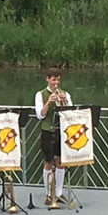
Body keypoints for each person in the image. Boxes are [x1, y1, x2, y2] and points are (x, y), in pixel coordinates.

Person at [34, 68, 73, 205]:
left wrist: (65, 102)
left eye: (58, 80)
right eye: (53, 80)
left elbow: (70, 113)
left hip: (61, 131)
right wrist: (49, 102)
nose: (56, 83)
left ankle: (59, 193)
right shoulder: (40, 94)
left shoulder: (65, 94)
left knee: (61, 162)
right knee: (48, 162)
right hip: (47, 130)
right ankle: (48, 193)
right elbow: (41, 115)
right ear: (48, 79)